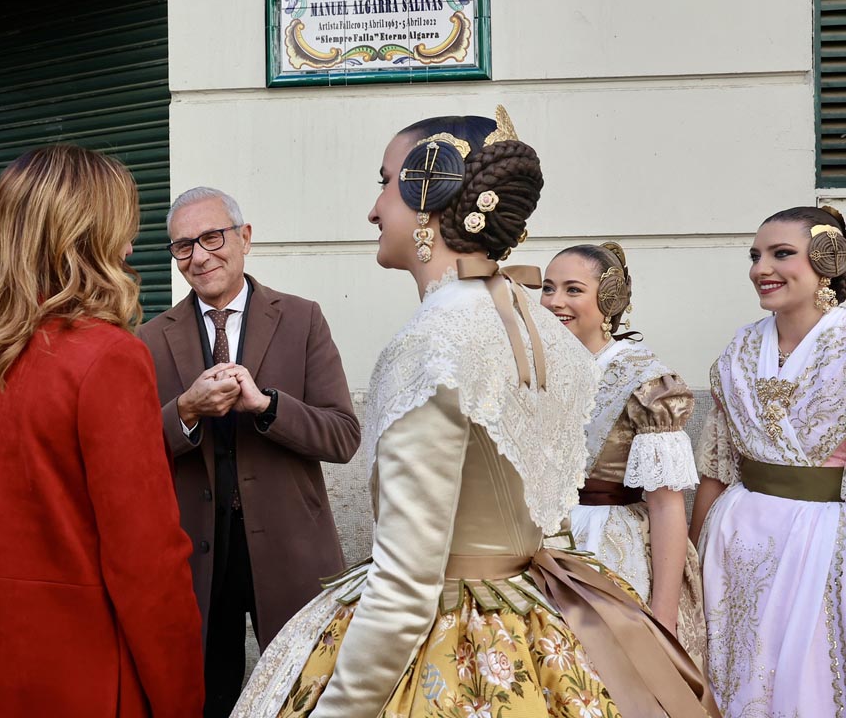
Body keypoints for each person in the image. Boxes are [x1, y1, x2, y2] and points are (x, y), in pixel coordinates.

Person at [232, 108, 718, 718]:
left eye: (384, 182)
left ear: (428, 197)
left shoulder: (432, 342)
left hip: (451, 633)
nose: (374, 209)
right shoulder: (534, 322)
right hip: (534, 612)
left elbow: (408, 587)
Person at [0, 145, 203, 717]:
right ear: (85, 237)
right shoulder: (108, 356)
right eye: (122, 229)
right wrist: (180, 700)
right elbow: (147, 562)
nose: (129, 247)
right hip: (68, 671)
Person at [137, 187, 360, 717]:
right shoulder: (148, 338)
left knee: (304, 695)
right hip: (195, 555)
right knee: (204, 699)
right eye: (183, 246)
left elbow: (343, 436)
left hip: (290, 547)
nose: (199, 256)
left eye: (211, 237)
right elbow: (135, 451)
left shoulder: (303, 319)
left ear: (244, 238)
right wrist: (185, 410)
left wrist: (267, 406)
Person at [689, 205, 846, 716]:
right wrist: (691, 560)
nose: (761, 268)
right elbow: (716, 464)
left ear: (829, 260)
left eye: (782, 254)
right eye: (756, 255)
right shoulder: (740, 347)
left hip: (820, 542)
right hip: (734, 536)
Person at [541, 242, 706, 665]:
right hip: (543, 545)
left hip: (613, 549)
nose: (555, 301)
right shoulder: (540, 368)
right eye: (548, 287)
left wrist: (664, 615)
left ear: (610, 300)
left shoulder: (648, 384)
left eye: (573, 290)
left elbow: (667, 506)